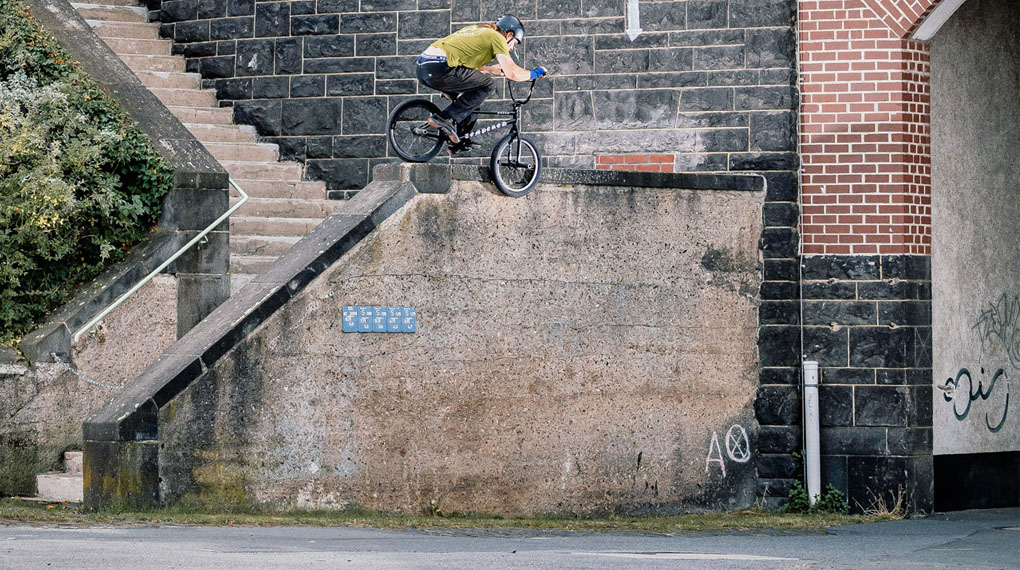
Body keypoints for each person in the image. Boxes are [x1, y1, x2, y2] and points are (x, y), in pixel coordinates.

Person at [416, 14, 546, 153]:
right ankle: (443, 118)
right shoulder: (497, 37)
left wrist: (490, 69)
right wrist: (535, 73)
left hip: (424, 67)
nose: (512, 49)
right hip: (440, 68)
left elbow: (465, 62)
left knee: (475, 95)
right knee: (488, 86)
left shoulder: (478, 30)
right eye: (514, 43)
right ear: (509, 34)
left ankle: (458, 139)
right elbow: (512, 73)